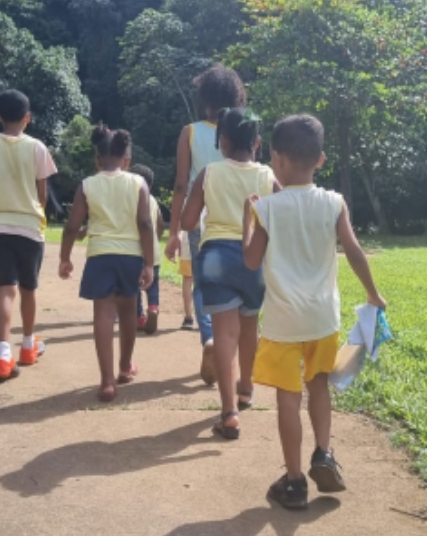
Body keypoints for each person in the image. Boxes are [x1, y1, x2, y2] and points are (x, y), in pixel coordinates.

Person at [242, 115, 387, 510]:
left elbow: (252, 261)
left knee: (288, 398)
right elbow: (354, 249)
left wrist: (247, 220)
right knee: (318, 386)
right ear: (320, 159)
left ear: (276, 158)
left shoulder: (268, 209)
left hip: (283, 322)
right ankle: (324, 453)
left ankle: (293, 481)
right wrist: (373, 294)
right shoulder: (333, 202)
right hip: (323, 319)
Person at [181, 107, 280, 440]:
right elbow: (282, 219)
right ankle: (246, 389)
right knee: (250, 326)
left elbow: (188, 222)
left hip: (215, 257)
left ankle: (229, 413)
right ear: (257, 142)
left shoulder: (209, 172)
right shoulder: (268, 177)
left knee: (225, 334)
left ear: (221, 141)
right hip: (255, 257)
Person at [165, 65, 248, 385]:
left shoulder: (190, 131)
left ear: (205, 98)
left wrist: (174, 232)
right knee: (242, 286)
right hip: (242, 218)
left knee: (204, 284)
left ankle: (210, 340)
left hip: (202, 220)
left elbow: (181, 184)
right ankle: (235, 354)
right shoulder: (244, 126)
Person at [59, 125, 154, 402]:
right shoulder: (138, 183)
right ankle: (125, 367)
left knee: (103, 315)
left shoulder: (87, 185)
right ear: (126, 158)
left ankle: (107, 381)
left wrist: (65, 257)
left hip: (100, 255)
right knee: (128, 313)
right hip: (131, 256)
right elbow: (146, 224)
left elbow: (72, 226)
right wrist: (149, 263)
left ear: (97, 159)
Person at [0, 90, 57, 381]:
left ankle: (2, 354)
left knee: (6, 289)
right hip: (30, 226)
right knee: (29, 290)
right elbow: (42, 195)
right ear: (27, 118)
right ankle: (27, 346)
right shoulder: (37, 148)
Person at [130, 164, 163, 335]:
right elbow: (159, 224)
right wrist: (156, 239)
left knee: (135, 286)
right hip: (154, 251)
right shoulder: (153, 200)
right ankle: (154, 308)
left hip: (136, 250)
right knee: (153, 285)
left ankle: (139, 317)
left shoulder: (132, 199)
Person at [178, 232, 195, 331]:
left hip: (187, 241)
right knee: (206, 281)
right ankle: (206, 317)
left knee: (188, 281)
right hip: (206, 241)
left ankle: (188, 317)